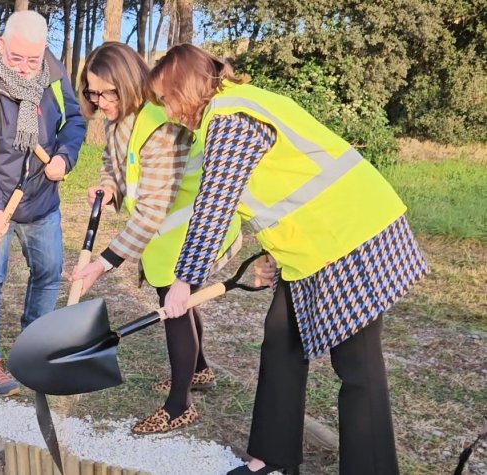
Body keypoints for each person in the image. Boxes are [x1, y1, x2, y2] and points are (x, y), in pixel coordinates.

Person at [153, 44, 428, 475]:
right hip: (311, 248)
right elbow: (272, 193)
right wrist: (269, 254)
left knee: (357, 364)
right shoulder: (232, 114)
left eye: (167, 99)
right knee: (282, 341)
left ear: (185, 89)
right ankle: (272, 460)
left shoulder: (232, 119)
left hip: (349, 238)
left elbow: (215, 205)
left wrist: (184, 281)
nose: (168, 111)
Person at [69, 42, 243, 434]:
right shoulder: (119, 118)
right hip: (171, 226)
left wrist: (103, 263)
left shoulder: (159, 124)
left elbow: (151, 211)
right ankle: (198, 370)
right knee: (182, 299)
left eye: (109, 92)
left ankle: (180, 404)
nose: (100, 101)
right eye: (93, 92)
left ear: (129, 82)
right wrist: (108, 186)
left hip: (196, 223)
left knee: (174, 306)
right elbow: (113, 161)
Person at [0, 10, 86, 396]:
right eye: (16, 58)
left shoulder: (52, 71)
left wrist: (64, 157)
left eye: (33, 60)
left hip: (40, 194)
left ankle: (33, 348)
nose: (25, 69)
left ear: (44, 52)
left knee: (49, 271)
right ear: (1, 45)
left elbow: (74, 121)